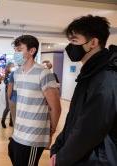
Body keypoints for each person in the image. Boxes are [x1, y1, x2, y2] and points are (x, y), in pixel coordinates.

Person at [50, 15, 117, 166]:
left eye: (74, 40)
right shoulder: (90, 73)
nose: (70, 46)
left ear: (93, 42)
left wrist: (61, 159)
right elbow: (75, 119)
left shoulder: (106, 77)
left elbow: (89, 130)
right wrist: (58, 147)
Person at [8, 35, 61, 166]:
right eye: (15, 50)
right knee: (12, 155)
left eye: (19, 50)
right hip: (18, 133)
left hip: (34, 136)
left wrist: (50, 133)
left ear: (32, 51)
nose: (16, 53)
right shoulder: (17, 73)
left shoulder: (44, 73)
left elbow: (56, 108)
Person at [1, 62, 15, 128]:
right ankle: (2, 121)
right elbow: (7, 83)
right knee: (8, 107)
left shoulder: (14, 74)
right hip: (8, 92)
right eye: (11, 66)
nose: (13, 67)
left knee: (12, 107)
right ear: (8, 67)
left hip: (14, 92)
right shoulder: (7, 75)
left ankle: (11, 122)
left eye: (13, 66)